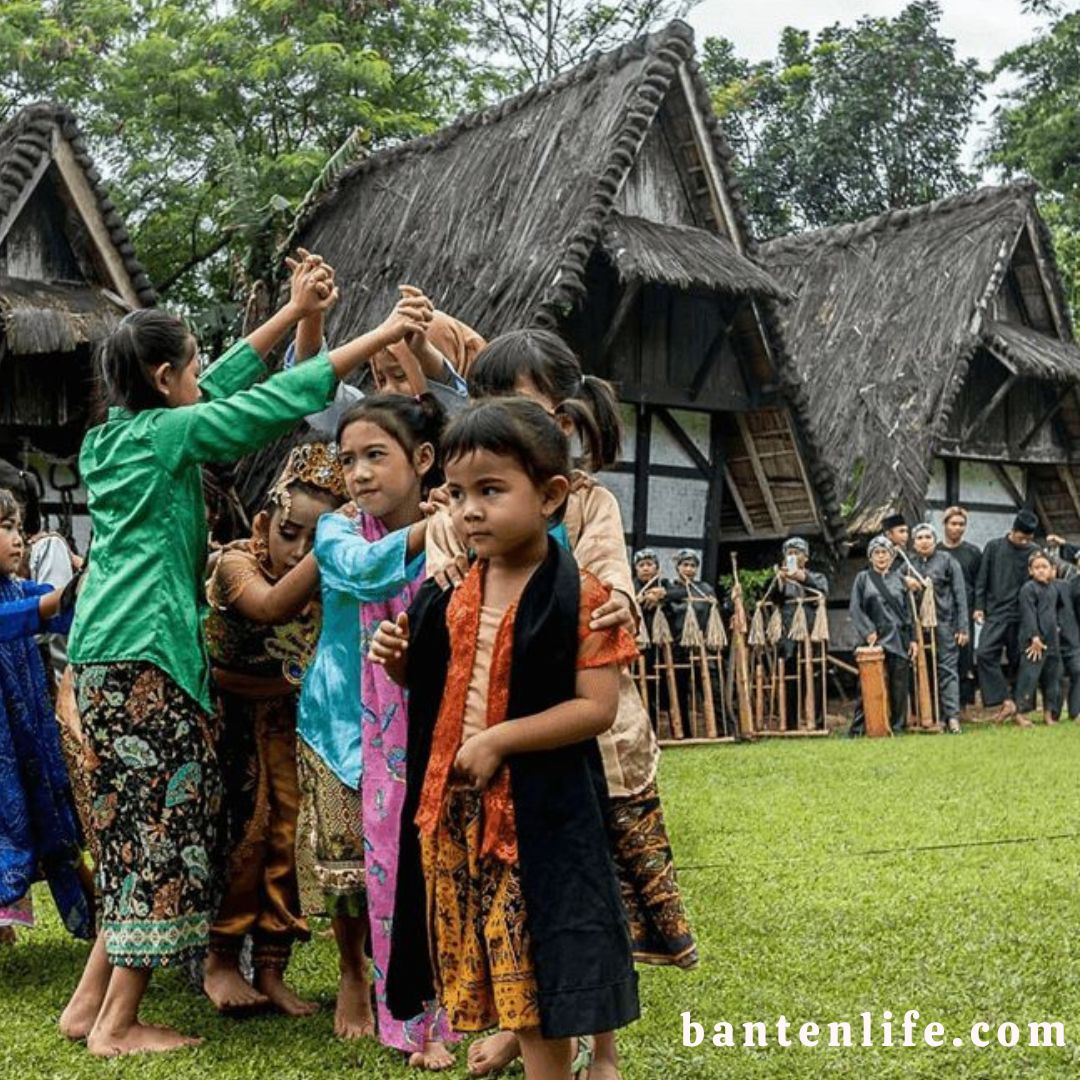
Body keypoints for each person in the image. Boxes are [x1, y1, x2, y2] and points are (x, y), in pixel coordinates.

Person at [60, 257, 434, 1057]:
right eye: (192, 363)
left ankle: (88, 1003)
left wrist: (295, 310)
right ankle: (119, 1024)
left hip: (102, 664)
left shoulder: (110, 439)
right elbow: (260, 404)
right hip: (147, 661)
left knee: (130, 829)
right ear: (164, 379)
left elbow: (225, 384)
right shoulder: (166, 436)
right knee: (163, 829)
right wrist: (384, 333)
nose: (204, 372)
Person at [440, 332, 694, 1080]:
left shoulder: (585, 503)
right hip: (506, 749)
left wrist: (612, 600)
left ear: (565, 419)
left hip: (594, 742)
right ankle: (526, 1030)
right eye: (486, 405)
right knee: (522, 899)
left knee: (596, 895)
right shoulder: (469, 514)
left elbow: (611, 581)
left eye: (519, 406)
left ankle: (603, 1048)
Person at [374, 398, 641, 1080]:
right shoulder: (450, 589)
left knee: (538, 982)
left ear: (551, 496)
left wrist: (501, 741)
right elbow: (431, 688)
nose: (469, 511)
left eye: (491, 491)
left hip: (537, 824)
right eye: (458, 494)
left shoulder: (583, 596)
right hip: (460, 818)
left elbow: (596, 708)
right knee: (499, 972)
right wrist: (398, 655)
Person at [296, 395, 454, 1067]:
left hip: (424, 722)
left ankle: (434, 1015)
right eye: (348, 458)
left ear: (422, 460)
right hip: (339, 720)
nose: (357, 473)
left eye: (374, 456)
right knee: (350, 871)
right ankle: (356, 978)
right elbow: (361, 573)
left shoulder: (458, 524)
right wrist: (432, 532)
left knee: (428, 868)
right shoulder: (337, 530)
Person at [202, 442, 347, 1016]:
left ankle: (271, 968)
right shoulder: (236, 564)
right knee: (243, 838)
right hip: (228, 724)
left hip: (290, 726)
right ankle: (218, 962)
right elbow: (267, 608)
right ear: (264, 522)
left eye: (316, 539)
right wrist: (335, 545)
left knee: (289, 842)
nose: (300, 550)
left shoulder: (330, 581)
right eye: (291, 532)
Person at [0, 488, 90, 943]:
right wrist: (58, 600)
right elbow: (18, 616)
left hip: (28, 736)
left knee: (53, 823)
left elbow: (57, 609)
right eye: (5, 528)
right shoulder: (16, 600)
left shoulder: (18, 587)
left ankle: (98, 922)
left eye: (17, 527)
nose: (18, 539)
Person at [848, 536, 918, 736]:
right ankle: (859, 728)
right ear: (870, 557)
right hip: (874, 637)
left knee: (899, 685)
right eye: (877, 553)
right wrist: (868, 631)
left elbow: (908, 612)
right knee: (867, 685)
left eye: (885, 552)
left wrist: (913, 639)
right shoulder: (863, 579)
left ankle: (897, 726)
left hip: (899, 636)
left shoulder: (899, 579)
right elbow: (855, 608)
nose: (881, 556)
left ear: (891, 555)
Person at [973, 510, 1039, 722]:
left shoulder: (1034, 551)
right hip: (997, 612)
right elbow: (982, 579)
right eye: (1022, 538)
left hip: (1023, 615)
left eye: (1028, 538)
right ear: (1012, 531)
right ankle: (1004, 700)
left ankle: (1021, 709)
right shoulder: (994, 547)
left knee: (1020, 661)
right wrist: (979, 606)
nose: (1025, 542)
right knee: (984, 653)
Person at [909, 523, 969, 734]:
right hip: (917, 626)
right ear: (914, 543)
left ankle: (952, 717)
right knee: (920, 670)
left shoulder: (947, 561)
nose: (924, 541)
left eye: (928, 537)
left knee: (947, 669)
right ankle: (925, 714)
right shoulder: (908, 564)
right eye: (919, 538)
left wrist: (963, 627)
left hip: (945, 623)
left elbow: (960, 594)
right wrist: (907, 583)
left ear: (935, 540)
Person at [662, 550, 721, 732]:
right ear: (677, 567)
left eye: (693, 565)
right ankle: (683, 732)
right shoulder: (668, 589)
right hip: (679, 647)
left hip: (703, 646)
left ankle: (721, 729)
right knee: (679, 692)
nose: (689, 569)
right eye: (685, 565)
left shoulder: (704, 589)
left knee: (712, 689)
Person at [776, 536, 829, 730]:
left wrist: (801, 577)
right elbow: (772, 598)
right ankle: (790, 723)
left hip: (813, 630)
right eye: (789, 553)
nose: (793, 556)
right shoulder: (780, 578)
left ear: (805, 558)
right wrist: (780, 581)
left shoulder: (817, 577)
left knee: (815, 675)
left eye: (797, 553)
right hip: (788, 632)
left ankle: (816, 721)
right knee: (789, 676)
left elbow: (823, 591)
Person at [1006, 550, 1063, 727]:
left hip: (1052, 640)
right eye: (1036, 567)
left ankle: (1049, 713)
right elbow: (1028, 614)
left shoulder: (1054, 588)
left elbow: (1057, 611)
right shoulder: (1028, 589)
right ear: (1030, 570)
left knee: (1052, 678)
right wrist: (1034, 636)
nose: (1040, 571)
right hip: (1033, 642)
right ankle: (1021, 713)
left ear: (1052, 569)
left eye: (1044, 567)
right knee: (1029, 677)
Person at [939, 506, 981, 714]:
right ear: (944, 524)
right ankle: (943, 706)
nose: (957, 528)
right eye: (953, 524)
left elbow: (979, 582)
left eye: (961, 524)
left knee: (964, 658)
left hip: (966, 610)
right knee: (943, 657)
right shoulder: (937, 552)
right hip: (943, 611)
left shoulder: (972, 552)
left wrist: (978, 608)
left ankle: (962, 707)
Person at [633, 548, 669, 726]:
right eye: (641, 565)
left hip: (663, 644)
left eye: (650, 564)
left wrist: (663, 596)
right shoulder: (631, 586)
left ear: (656, 567)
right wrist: (637, 600)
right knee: (640, 683)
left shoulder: (665, 585)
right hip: (639, 644)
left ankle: (658, 727)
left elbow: (682, 595)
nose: (646, 568)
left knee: (661, 684)